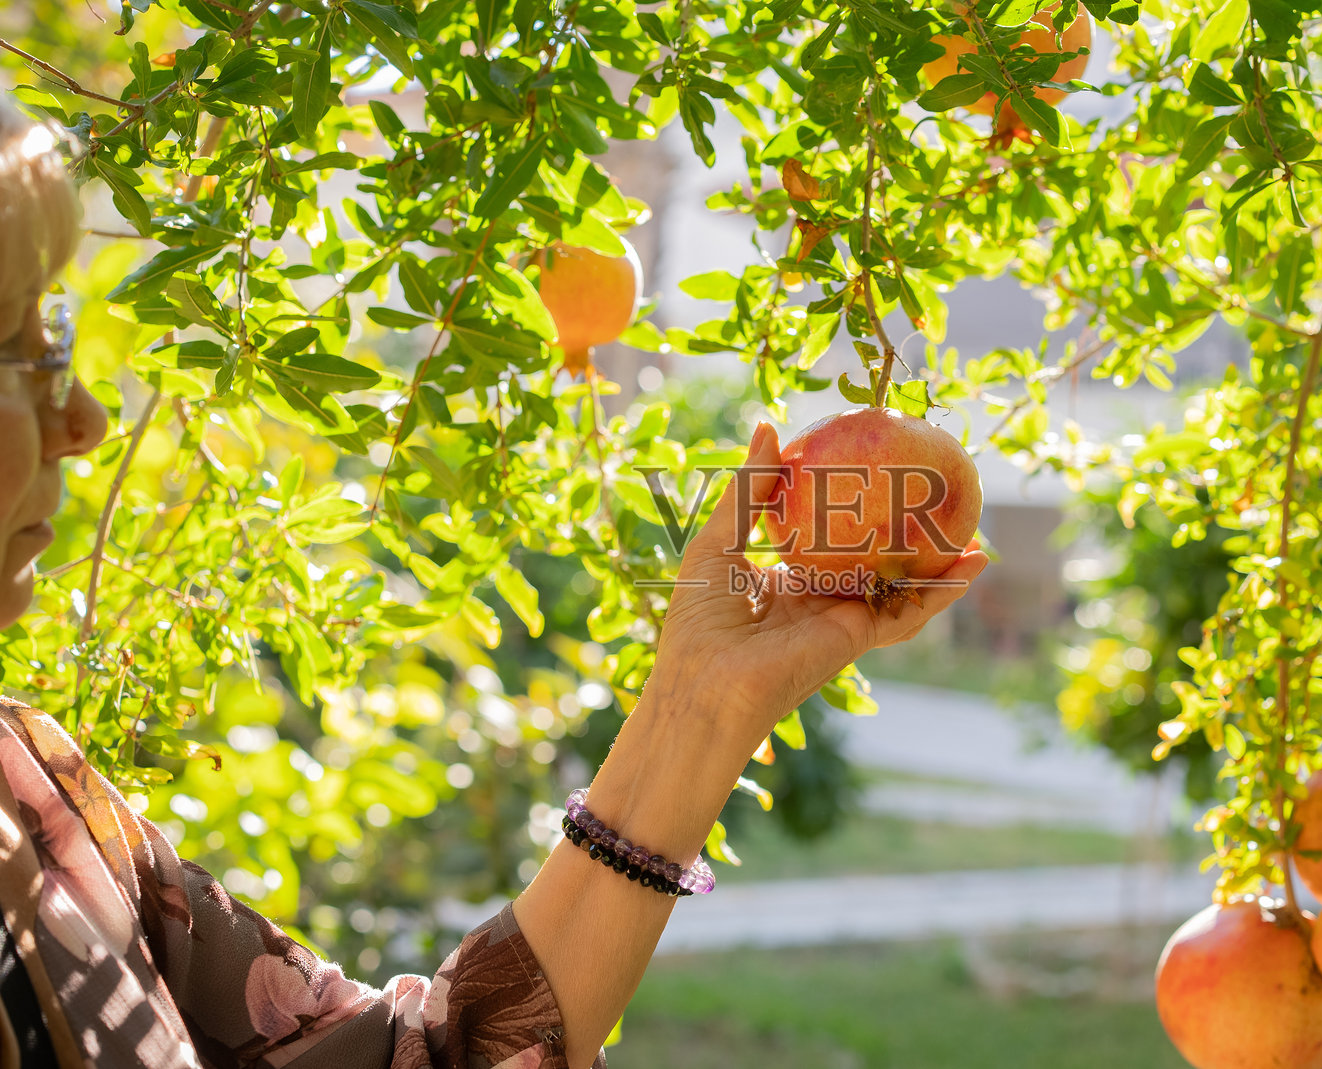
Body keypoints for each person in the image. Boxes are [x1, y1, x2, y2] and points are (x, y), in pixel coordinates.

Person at [0, 96, 989, 1069]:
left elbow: (431, 1056)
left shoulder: (33, 793)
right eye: (23, 343)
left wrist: (708, 696)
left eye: (60, 332)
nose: (84, 414)